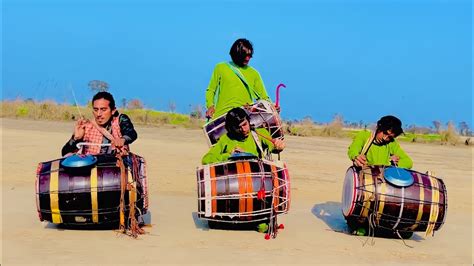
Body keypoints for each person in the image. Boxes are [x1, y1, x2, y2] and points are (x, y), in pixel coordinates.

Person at [205, 38, 273, 120]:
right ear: (236, 54)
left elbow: (264, 98)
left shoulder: (254, 73)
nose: (247, 58)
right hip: (222, 119)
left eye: (249, 56)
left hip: (243, 120)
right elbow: (211, 90)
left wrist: (272, 107)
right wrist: (210, 106)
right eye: (245, 55)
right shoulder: (220, 68)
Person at [61, 91, 137, 156]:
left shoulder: (120, 120)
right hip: (92, 170)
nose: (98, 114)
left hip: (116, 168)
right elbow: (65, 153)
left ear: (113, 110)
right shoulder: (86, 127)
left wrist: (122, 139)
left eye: (103, 109)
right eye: (96, 109)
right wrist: (76, 139)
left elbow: (131, 133)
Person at [202, 107, 284, 164]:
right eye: (238, 127)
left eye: (245, 124)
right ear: (232, 128)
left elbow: (274, 147)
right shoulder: (226, 139)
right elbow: (206, 160)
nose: (244, 129)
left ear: (249, 121)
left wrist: (279, 146)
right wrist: (229, 155)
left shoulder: (260, 133)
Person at [348, 115, 413, 169]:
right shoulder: (364, 135)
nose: (385, 138)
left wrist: (392, 164)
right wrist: (356, 157)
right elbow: (353, 150)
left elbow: (408, 162)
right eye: (385, 133)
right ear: (378, 127)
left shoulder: (392, 143)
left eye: (390, 137)